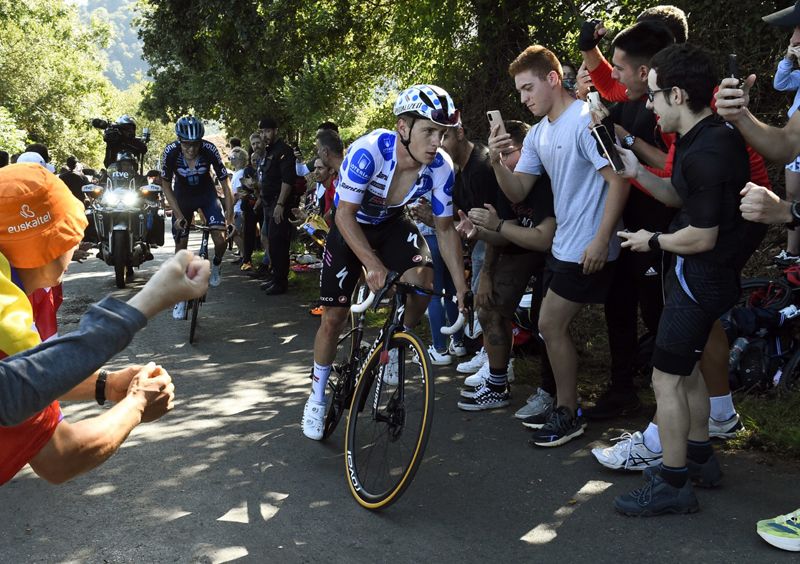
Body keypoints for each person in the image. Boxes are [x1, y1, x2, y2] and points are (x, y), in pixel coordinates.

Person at [0, 163, 207, 485]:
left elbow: (24, 381)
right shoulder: (6, 322)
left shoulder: (10, 288)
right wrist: (137, 404)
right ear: (52, 242)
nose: (78, 243)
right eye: (72, 232)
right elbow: (60, 456)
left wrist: (106, 385)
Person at [612, 43, 748, 516]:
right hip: (699, 275)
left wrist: (654, 241)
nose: (646, 105)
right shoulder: (696, 139)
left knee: (665, 378)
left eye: (651, 96)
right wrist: (635, 172)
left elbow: (704, 235)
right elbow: (676, 195)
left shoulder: (710, 147)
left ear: (675, 95)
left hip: (701, 277)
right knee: (684, 370)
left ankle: (673, 484)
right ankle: (698, 457)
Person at [301, 84, 468, 440]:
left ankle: (393, 345)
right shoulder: (370, 151)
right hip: (351, 226)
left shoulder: (441, 167)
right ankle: (315, 397)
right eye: (429, 131)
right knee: (333, 318)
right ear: (403, 128)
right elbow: (343, 216)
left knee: (424, 281)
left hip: (390, 225)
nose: (437, 142)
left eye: (442, 133)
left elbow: (445, 229)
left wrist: (463, 287)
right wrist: (372, 264)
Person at [488, 45, 628, 447]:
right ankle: (566, 406)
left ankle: (569, 412)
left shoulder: (584, 120)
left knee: (550, 324)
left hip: (588, 246)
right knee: (550, 326)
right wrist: (498, 161)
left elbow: (618, 180)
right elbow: (518, 190)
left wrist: (602, 240)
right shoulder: (539, 134)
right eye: (518, 92)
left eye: (528, 88)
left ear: (553, 79)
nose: (524, 98)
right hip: (563, 246)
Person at [456, 120, 556, 413]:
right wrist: (477, 232)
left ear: (529, 151)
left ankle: (552, 395)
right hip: (522, 247)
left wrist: (495, 226)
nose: (504, 162)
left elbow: (542, 239)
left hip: (556, 252)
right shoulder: (505, 180)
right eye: (498, 155)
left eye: (509, 153)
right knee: (488, 307)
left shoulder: (544, 180)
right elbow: (504, 231)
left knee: (545, 320)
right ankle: (497, 384)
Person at [160, 115, 234, 319]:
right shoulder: (170, 152)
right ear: (179, 140)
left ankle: (217, 264)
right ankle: (180, 297)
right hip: (183, 196)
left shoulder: (209, 150)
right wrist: (177, 215)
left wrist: (229, 213)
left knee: (220, 238)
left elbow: (225, 181)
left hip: (206, 195)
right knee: (181, 242)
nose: (191, 149)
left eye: (195, 144)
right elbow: (165, 185)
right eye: (186, 144)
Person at [256, 118, 297, 295]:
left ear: (275, 131)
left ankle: (281, 282)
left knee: (279, 242)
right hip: (268, 203)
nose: (265, 135)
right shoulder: (268, 152)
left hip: (278, 203)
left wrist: (280, 204)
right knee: (272, 242)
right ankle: (275, 277)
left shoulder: (284, 151)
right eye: (262, 132)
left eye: (268, 131)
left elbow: (288, 180)